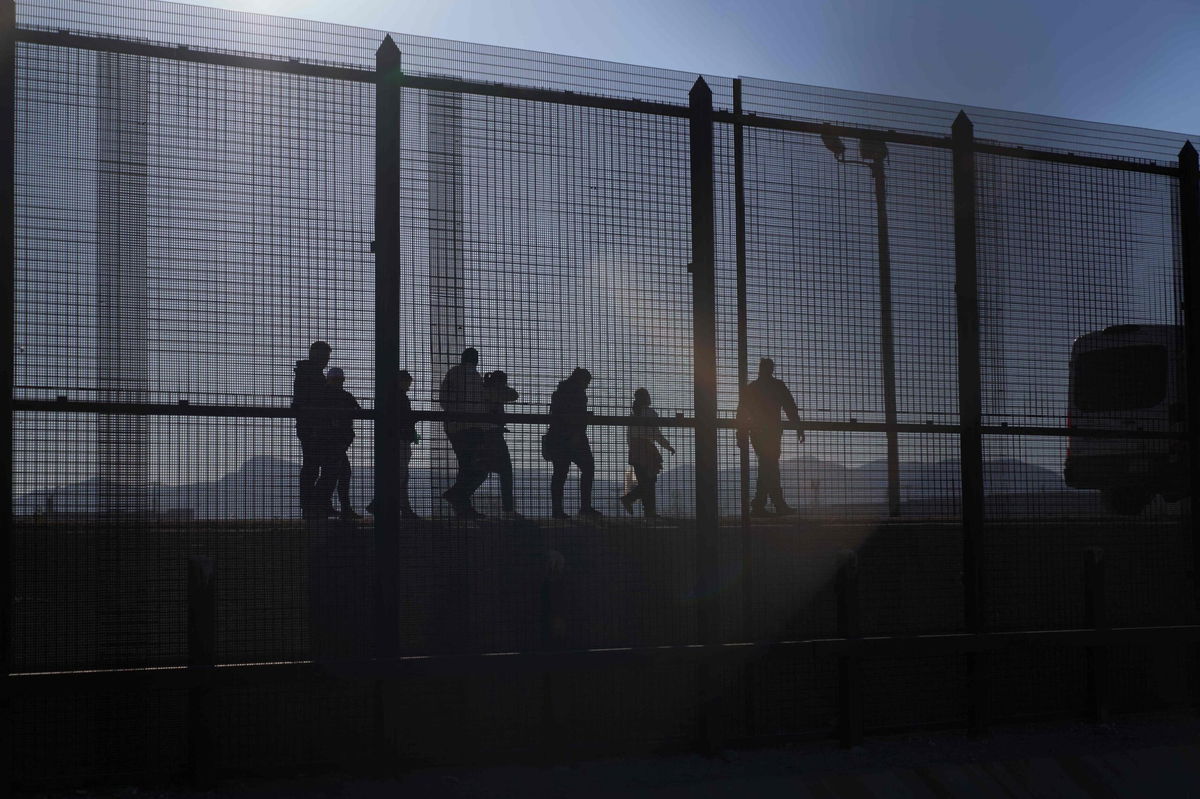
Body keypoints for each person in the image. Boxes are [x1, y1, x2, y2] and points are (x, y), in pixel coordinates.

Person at [736, 357, 805, 517]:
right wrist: (798, 427)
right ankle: (773, 504)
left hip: (759, 433)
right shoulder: (777, 386)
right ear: (771, 369)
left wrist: (741, 434)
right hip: (772, 433)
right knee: (770, 466)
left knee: (767, 466)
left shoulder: (752, 388)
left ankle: (762, 504)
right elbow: (790, 407)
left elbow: (741, 413)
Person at [543, 367, 601, 519]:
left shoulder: (559, 392)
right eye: (587, 382)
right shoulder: (578, 394)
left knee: (559, 475)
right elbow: (577, 416)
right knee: (588, 468)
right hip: (574, 438)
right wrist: (577, 433)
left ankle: (557, 510)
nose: (587, 385)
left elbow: (557, 414)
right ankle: (585, 507)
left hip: (556, 437)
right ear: (582, 380)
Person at [438, 347, 488, 518]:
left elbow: (443, 398)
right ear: (476, 360)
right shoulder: (476, 377)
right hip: (472, 428)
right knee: (479, 467)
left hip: (454, 427)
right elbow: (482, 403)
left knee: (467, 466)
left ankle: (462, 504)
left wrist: (454, 412)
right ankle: (458, 496)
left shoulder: (453, 373)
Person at [366, 369, 421, 520]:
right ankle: (387, 505)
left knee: (399, 476)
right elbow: (404, 419)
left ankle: (394, 506)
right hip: (400, 441)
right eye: (407, 380)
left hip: (395, 441)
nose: (409, 383)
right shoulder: (400, 398)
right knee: (400, 477)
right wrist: (410, 432)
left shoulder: (392, 397)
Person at [293, 340, 337, 520]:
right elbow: (313, 402)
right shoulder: (312, 375)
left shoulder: (308, 373)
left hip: (312, 427)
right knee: (317, 467)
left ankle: (314, 506)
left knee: (314, 467)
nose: (326, 360)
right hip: (314, 428)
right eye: (324, 356)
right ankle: (314, 506)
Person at [620, 388, 675, 518]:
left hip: (635, 450)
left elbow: (628, 436)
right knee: (649, 482)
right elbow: (656, 434)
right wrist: (668, 446)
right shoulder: (650, 413)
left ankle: (647, 511)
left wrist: (633, 448)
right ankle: (636, 503)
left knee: (644, 482)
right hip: (647, 451)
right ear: (647, 398)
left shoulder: (633, 414)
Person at [479, 369, 521, 518]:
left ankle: (459, 498)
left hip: (483, 434)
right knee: (506, 471)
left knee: (480, 471)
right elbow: (513, 395)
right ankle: (508, 508)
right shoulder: (492, 392)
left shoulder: (483, 390)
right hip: (493, 435)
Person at [323, 367, 362, 521]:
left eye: (339, 380)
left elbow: (357, 409)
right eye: (337, 380)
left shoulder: (325, 395)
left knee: (335, 474)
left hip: (334, 442)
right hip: (333, 442)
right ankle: (337, 508)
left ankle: (328, 507)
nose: (339, 382)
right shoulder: (342, 396)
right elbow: (357, 410)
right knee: (337, 474)